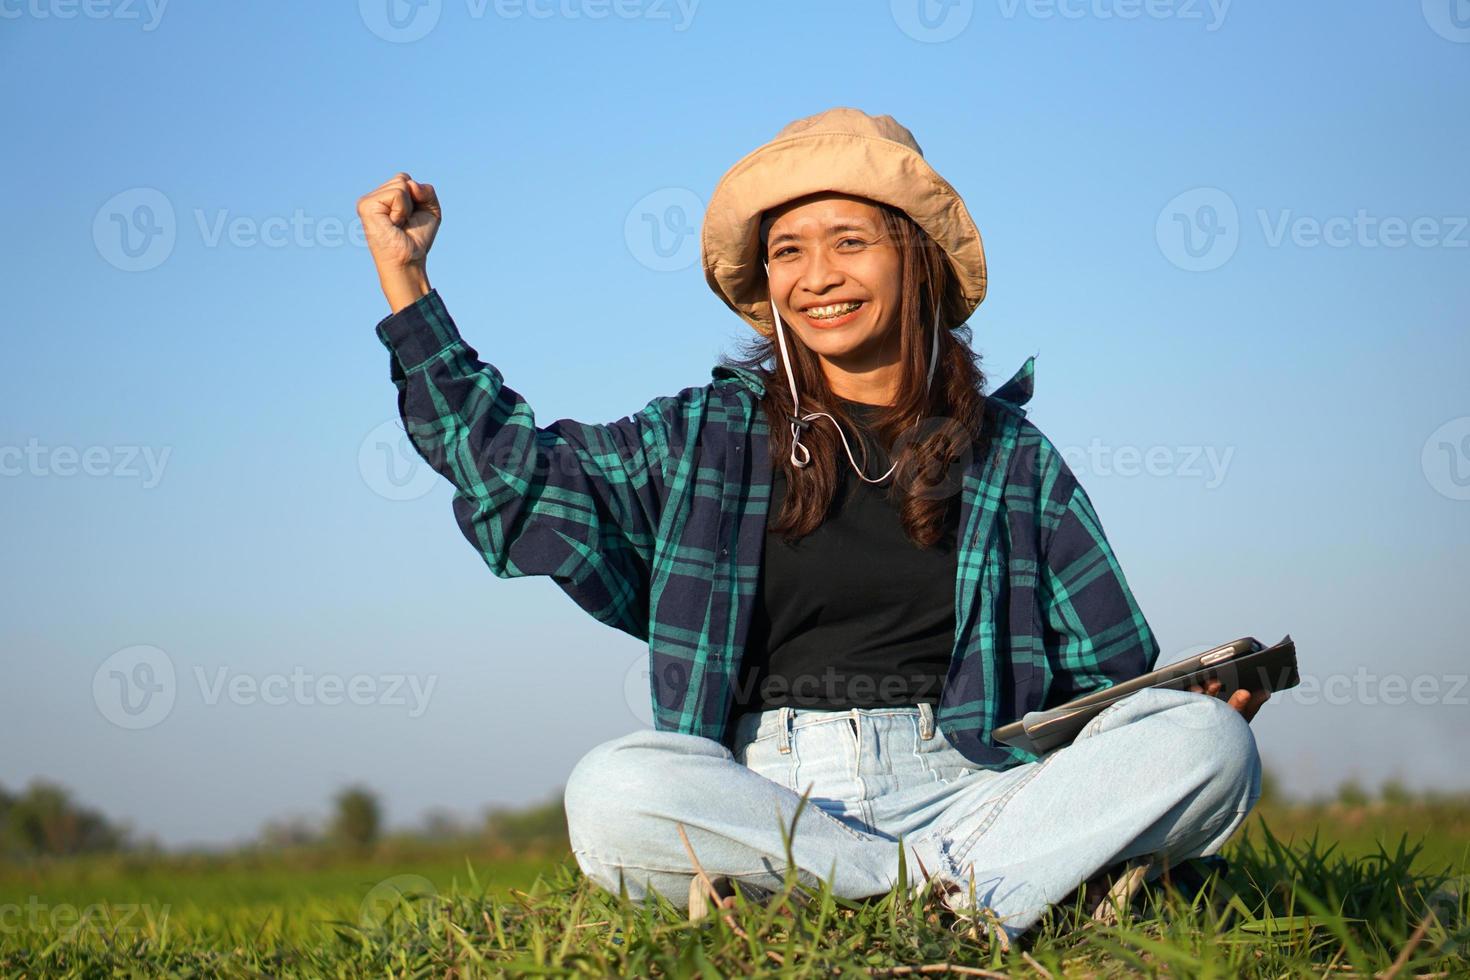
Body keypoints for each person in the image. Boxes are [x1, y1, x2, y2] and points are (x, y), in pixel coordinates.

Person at [357, 107, 1268, 945]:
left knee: (1209, 746)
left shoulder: (1011, 459)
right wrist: (407, 282)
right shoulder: (708, 435)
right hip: (767, 793)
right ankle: (963, 896)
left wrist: (1170, 710)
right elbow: (516, 476)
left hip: (974, 791)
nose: (817, 276)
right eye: (788, 250)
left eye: (848, 241)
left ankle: (902, 892)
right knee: (612, 790)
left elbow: (1107, 679)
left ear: (912, 257)